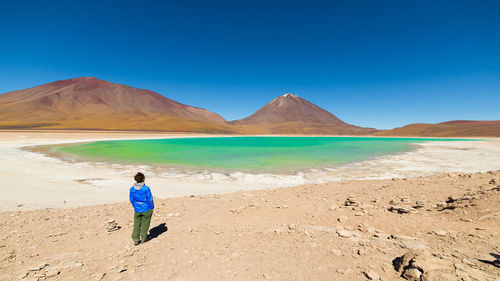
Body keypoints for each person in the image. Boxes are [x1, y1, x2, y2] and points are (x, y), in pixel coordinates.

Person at [129, 172, 154, 245]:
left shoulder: (132, 189)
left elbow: (131, 199)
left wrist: (135, 206)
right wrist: (152, 207)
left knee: (136, 224)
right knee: (145, 223)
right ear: (143, 179)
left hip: (137, 209)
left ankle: (135, 239)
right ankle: (143, 238)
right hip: (146, 208)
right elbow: (150, 199)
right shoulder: (146, 188)